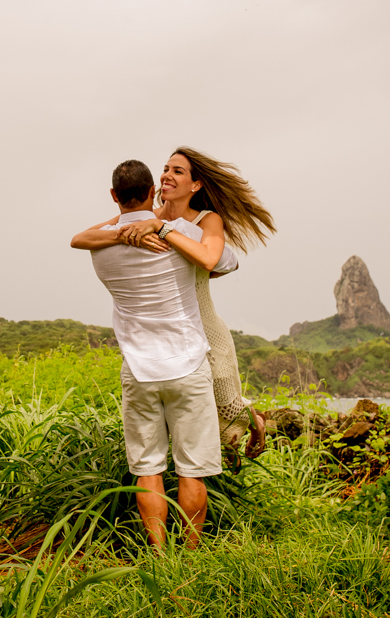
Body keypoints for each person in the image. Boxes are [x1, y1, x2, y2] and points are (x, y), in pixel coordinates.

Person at [70, 159, 238, 549]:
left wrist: (120, 230)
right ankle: (191, 554)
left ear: (114, 197)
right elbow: (223, 260)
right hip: (188, 366)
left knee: (148, 471)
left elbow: (79, 238)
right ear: (153, 193)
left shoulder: (104, 242)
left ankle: (158, 555)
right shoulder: (181, 232)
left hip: (139, 370)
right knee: (191, 472)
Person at [90, 147, 276, 457]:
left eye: (178, 171)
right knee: (193, 425)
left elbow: (211, 260)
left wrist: (161, 230)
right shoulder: (148, 215)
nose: (167, 175)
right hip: (168, 338)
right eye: (165, 168)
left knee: (223, 410)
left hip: (206, 329)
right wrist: (125, 235)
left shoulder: (206, 220)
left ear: (196, 185)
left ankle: (254, 422)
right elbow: (87, 236)